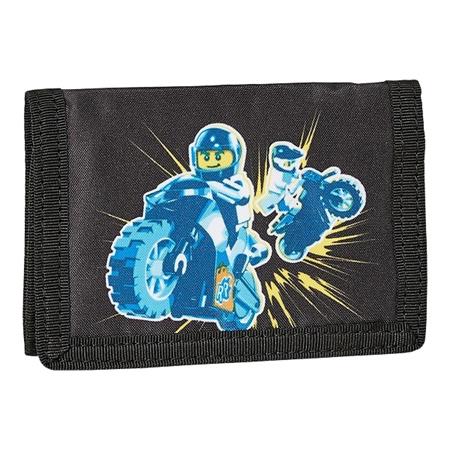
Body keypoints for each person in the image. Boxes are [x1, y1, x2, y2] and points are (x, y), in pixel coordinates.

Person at [189, 123, 270, 268]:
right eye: (205, 157)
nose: (212, 162)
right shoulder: (196, 182)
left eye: (219, 157)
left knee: (240, 255)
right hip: (203, 228)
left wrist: (210, 186)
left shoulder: (236, 181)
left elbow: (240, 195)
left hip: (234, 232)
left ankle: (250, 255)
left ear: (235, 156)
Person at [257, 141, 305, 216]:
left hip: (282, 196)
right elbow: (291, 189)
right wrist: (301, 181)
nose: (293, 165)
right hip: (277, 196)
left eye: (295, 162)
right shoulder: (281, 174)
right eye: (289, 163)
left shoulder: (290, 171)